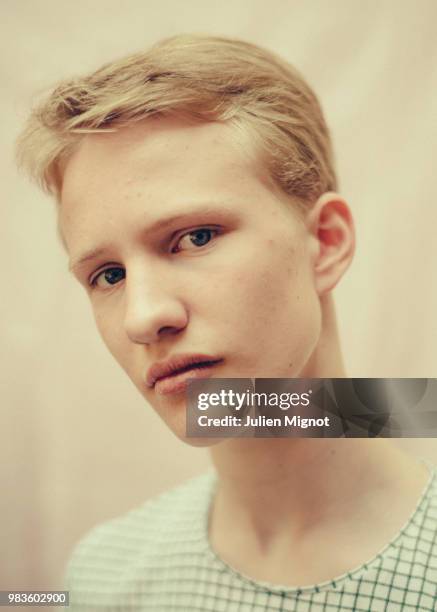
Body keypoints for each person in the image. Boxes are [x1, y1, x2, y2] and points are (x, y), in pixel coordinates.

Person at [17, 34, 436, 611]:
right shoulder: (106, 574)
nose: (143, 318)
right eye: (107, 275)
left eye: (194, 237)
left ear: (327, 243)